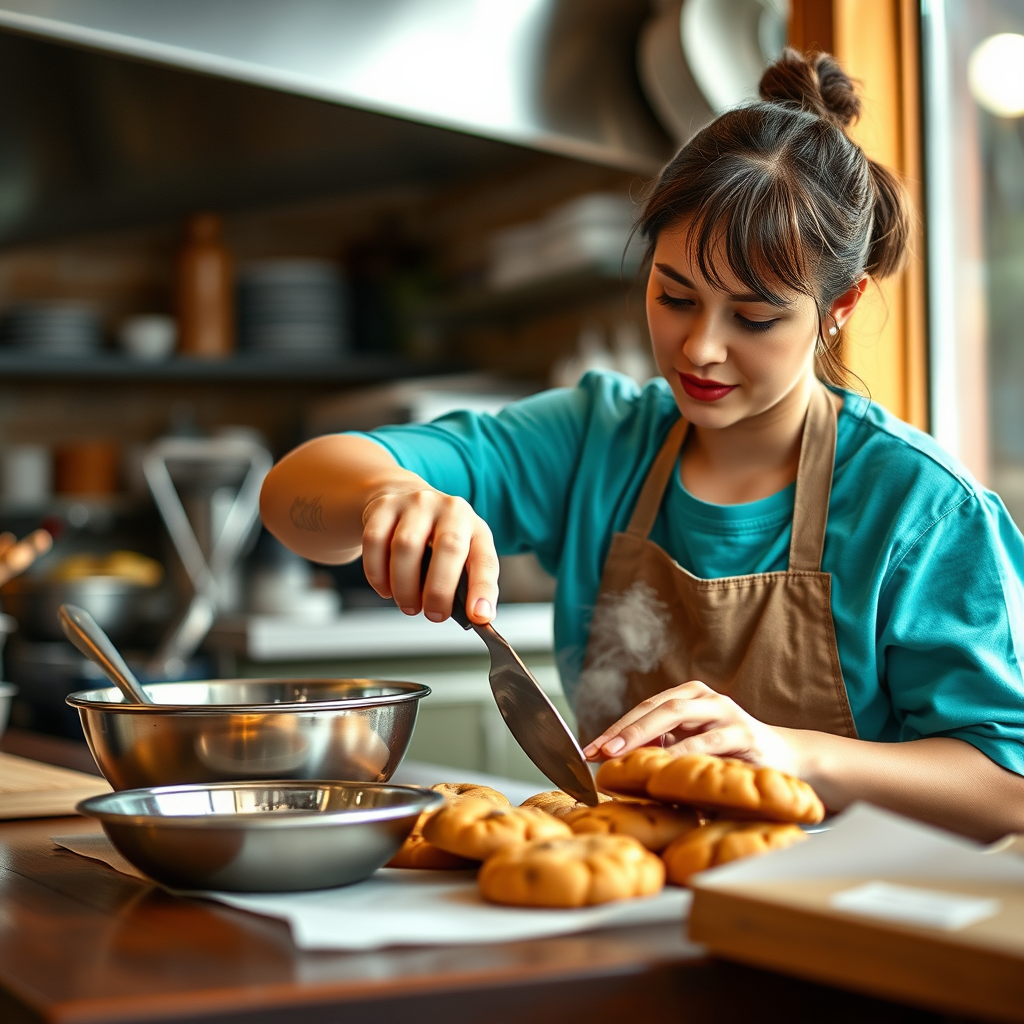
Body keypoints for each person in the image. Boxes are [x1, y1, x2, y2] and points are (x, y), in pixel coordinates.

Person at [261, 50, 1024, 842]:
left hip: (843, 928)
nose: (700, 349)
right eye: (674, 296)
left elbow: (1011, 788)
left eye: (754, 318)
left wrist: (792, 755)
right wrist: (388, 495)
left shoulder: (921, 510)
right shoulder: (597, 440)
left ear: (841, 305)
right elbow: (293, 496)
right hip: (632, 912)